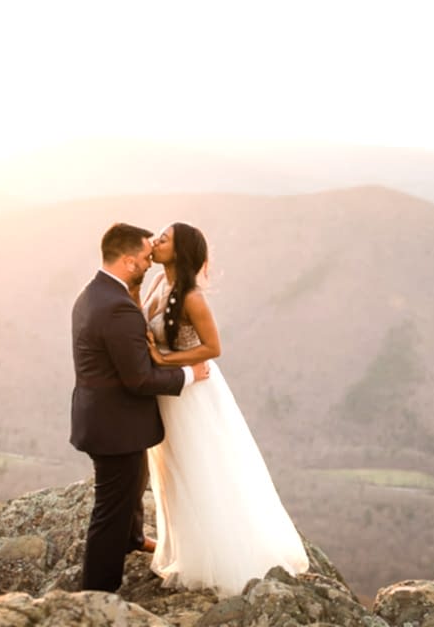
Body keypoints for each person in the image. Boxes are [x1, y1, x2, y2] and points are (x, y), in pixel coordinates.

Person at [142, 222, 309, 596]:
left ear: (179, 252)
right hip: (170, 392)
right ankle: (183, 551)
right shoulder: (156, 284)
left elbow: (212, 348)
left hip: (193, 394)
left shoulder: (192, 298)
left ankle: (220, 558)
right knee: (172, 473)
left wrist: (164, 361)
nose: (156, 242)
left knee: (201, 468)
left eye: (164, 239)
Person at [70, 222, 211, 592]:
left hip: (101, 416)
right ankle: (97, 594)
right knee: (110, 510)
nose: (151, 262)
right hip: (115, 426)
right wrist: (189, 376)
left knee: (132, 486)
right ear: (130, 262)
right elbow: (139, 380)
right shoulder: (117, 308)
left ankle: (132, 538)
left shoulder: (94, 292)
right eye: (146, 257)